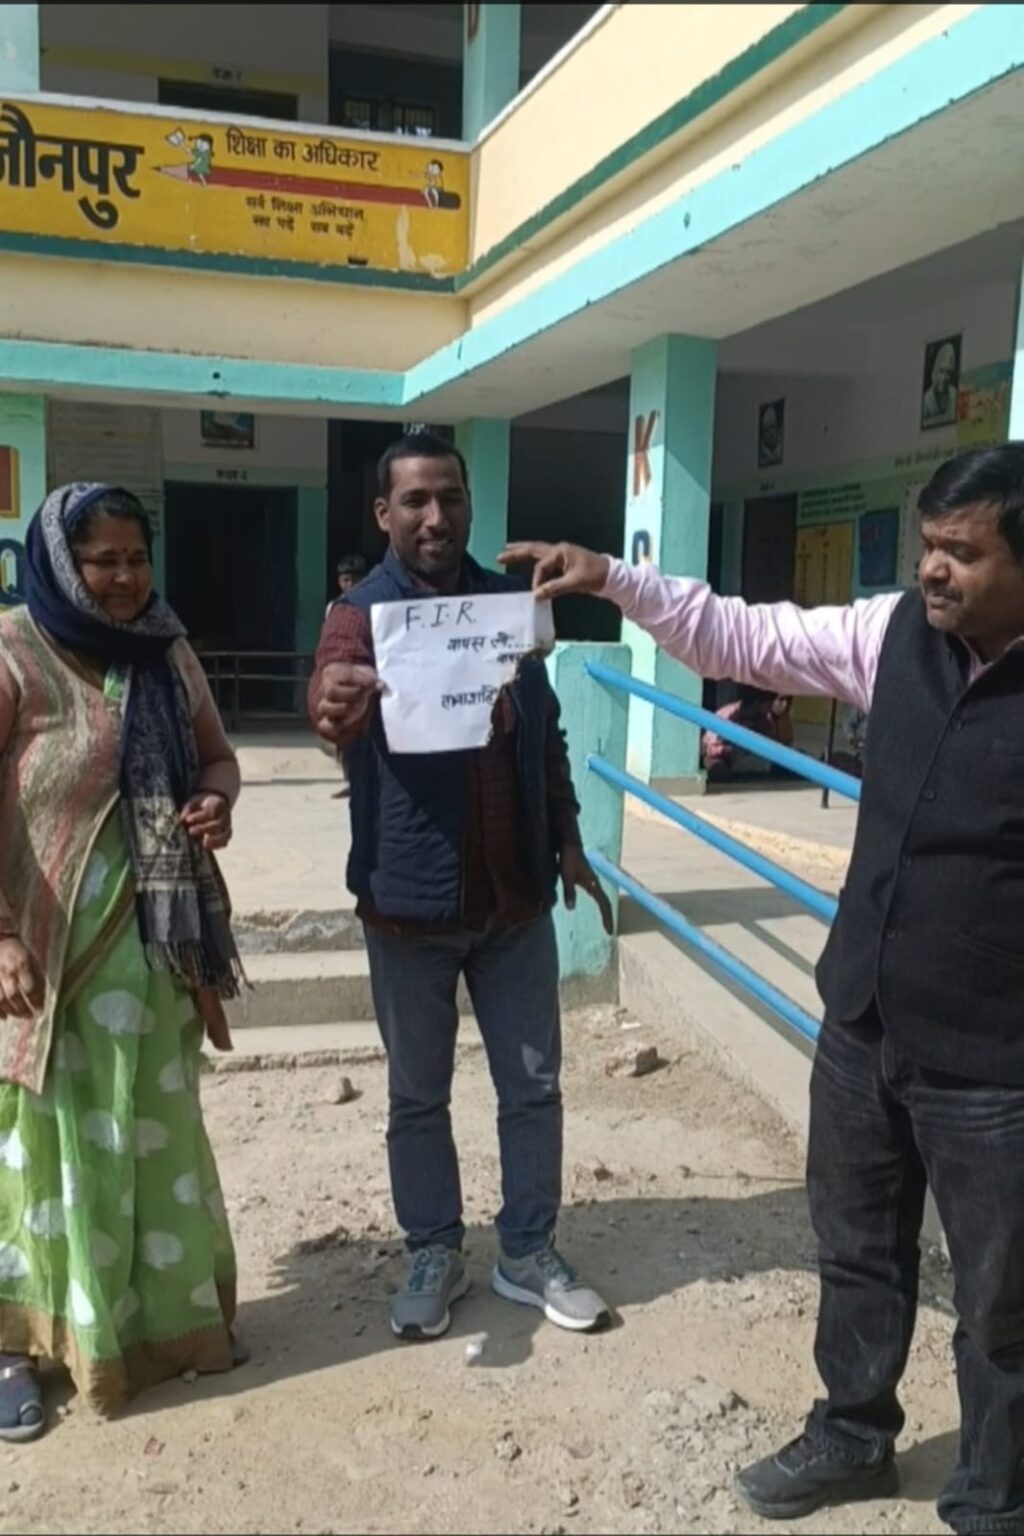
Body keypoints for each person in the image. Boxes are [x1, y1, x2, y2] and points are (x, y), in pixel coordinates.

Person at [501, 443, 1024, 1535]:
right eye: (928, 546)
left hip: (995, 1060)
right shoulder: (891, 636)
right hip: (863, 1020)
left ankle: (993, 1490)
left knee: (1001, 1292)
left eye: (961, 553)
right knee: (856, 1248)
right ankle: (851, 1435)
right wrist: (613, 578)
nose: (932, 570)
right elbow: (745, 636)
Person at [309, 430, 613, 1342]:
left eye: (450, 497)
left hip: (515, 902)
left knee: (534, 1088)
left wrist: (567, 839)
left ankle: (527, 1250)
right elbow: (326, 698)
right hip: (407, 907)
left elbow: (544, 732)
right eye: (415, 501)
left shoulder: (508, 607)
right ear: (384, 514)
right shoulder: (359, 616)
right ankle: (434, 1250)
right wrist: (332, 708)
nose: (435, 516)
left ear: (470, 503)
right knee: (417, 1096)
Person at [0, 484, 245, 1441]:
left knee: (151, 1138)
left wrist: (216, 802)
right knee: (41, 1154)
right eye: (102, 560)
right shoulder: (15, 652)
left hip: (154, 961)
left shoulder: (167, 650)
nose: (124, 577)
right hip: (44, 971)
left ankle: (152, 1329)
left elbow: (218, 758)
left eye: (136, 558)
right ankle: (16, 1347)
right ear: (61, 565)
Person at [701, 686, 794, 780]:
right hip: (724, 757)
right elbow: (709, 747)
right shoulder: (728, 714)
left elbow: (780, 743)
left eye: (788, 701)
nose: (784, 704)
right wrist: (727, 751)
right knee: (719, 769)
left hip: (752, 758)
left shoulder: (766, 718)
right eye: (780, 700)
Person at [923, 341, 959, 429]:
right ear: (935, 373)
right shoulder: (926, 401)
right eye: (941, 371)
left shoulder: (954, 394)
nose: (944, 377)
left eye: (948, 372)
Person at [325, 554, 368, 620]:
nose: (351, 583)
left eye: (355, 579)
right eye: (346, 580)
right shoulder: (333, 606)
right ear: (339, 582)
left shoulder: (369, 604)